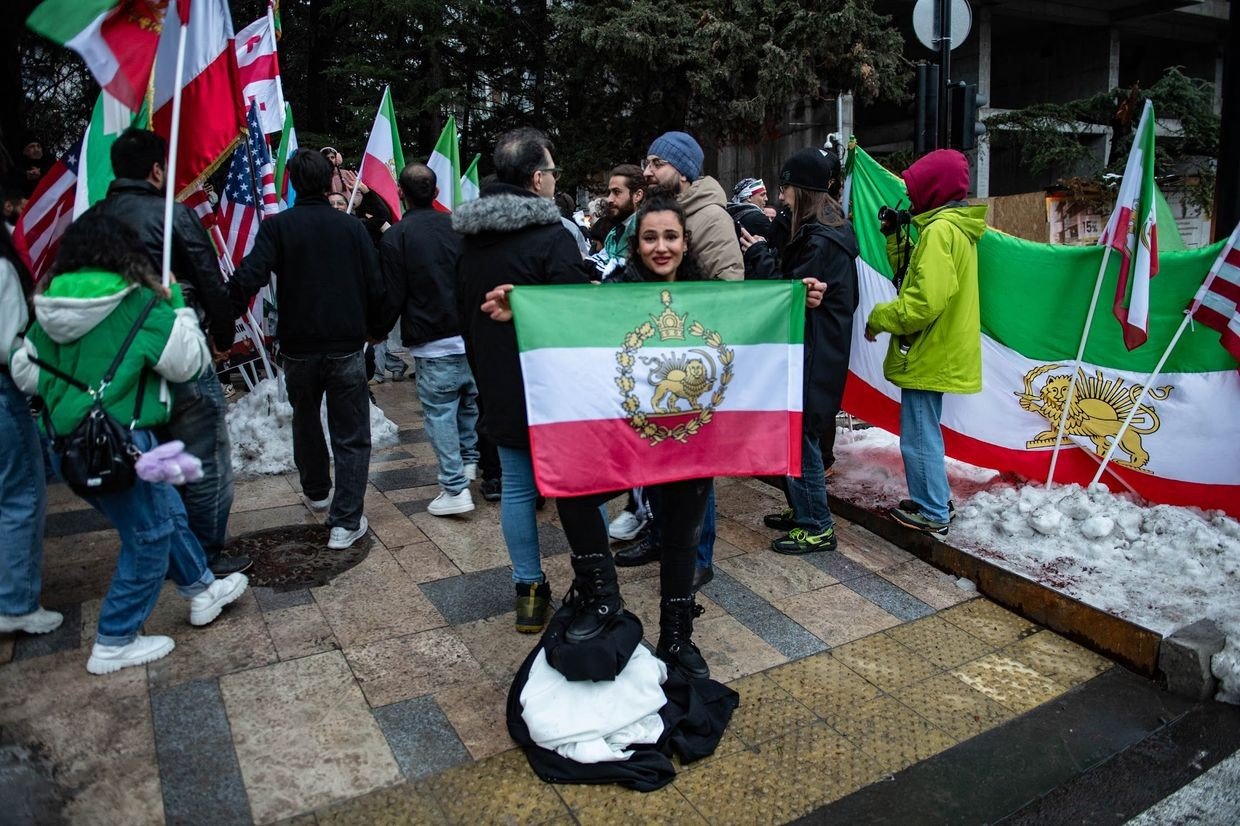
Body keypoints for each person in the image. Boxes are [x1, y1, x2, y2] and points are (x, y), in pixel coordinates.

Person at [479, 192, 825, 679]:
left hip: (689, 438)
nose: (660, 247)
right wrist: (524, 307)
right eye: (650, 237)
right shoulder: (613, 289)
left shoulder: (713, 297)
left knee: (682, 536)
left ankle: (678, 634)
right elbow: (570, 314)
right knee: (575, 498)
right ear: (636, 244)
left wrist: (797, 296)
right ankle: (603, 600)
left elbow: (758, 313)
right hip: (628, 438)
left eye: (670, 237)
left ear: (685, 242)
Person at [10, 213, 248, 674]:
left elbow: (26, 374)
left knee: (166, 511)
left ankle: (201, 589)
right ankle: (115, 638)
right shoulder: (139, 303)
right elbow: (187, 363)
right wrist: (176, 303)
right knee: (149, 532)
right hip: (119, 443)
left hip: (67, 441)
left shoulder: (50, 304)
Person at [86, 128, 246, 577]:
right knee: (205, 457)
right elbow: (211, 281)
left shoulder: (92, 221)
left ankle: (169, 551)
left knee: (142, 455)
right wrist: (221, 335)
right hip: (178, 350)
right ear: (157, 171)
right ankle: (204, 557)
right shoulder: (171, 216)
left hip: (115, 361)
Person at [454, 127, 593, 633]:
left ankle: (529, 592)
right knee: (577, 488)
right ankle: (594, 582)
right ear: (537, 180)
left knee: (516, 488)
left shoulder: (469, 242)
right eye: (552, 172)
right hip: (555, 390)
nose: (555, 180)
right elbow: (577, 316)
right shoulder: (551, 238)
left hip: (498, 382)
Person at [230, 148, 389, 550]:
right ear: (328, 182)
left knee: (306, 419)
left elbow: (249, 276)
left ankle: (318, 491)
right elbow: (376, 285)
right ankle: (344, 518)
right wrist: (376, 329)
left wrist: (221, 319)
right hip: (344, 344)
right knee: (350, 433)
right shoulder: (350, 229)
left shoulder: (279, 227)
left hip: (300, 346)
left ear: (293, 182)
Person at [741, 148, 858, 554]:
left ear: (802, 190)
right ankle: (803, 507)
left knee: (800, 436)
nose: (780, 196)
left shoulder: (821, 241)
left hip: (813, 354)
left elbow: (784, 295)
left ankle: (818, 525)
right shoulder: (819, 229)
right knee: (793, 432)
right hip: (814, 351)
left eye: (786, 187)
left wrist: (758, 254)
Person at [863, 149, 986, 535]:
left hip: (931, 350)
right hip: (942, 348)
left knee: (917, 435)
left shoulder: (938, 231)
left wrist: (879, 317)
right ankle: (933, 497)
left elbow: (922, 302)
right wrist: (894, 238)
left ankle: (932, 510)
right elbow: (915, 278)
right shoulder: (952, 228)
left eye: (915, 191)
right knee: (924, 429)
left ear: (934, 189)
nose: (911, 199)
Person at [380, 163, 478, 516]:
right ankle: (468, 465)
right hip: (469, 334)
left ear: (401, 194)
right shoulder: (460, 228)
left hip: (432, 338)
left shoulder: (396, 236)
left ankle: (455, 487)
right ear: (435, 192)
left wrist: (376, 330)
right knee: (466, 404)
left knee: (440, 413)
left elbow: (393, 293)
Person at [0, 226, 60, 637]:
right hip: (5, 392)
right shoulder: (3, 269)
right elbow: (9, 345)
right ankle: (16, 602)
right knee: (22, 494)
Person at [589, 164, 644, 281]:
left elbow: (624, 275)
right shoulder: (616, 230)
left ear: (637, 195)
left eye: (617, 192)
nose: (609, 199)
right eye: (609, 192)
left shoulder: (644, 230)